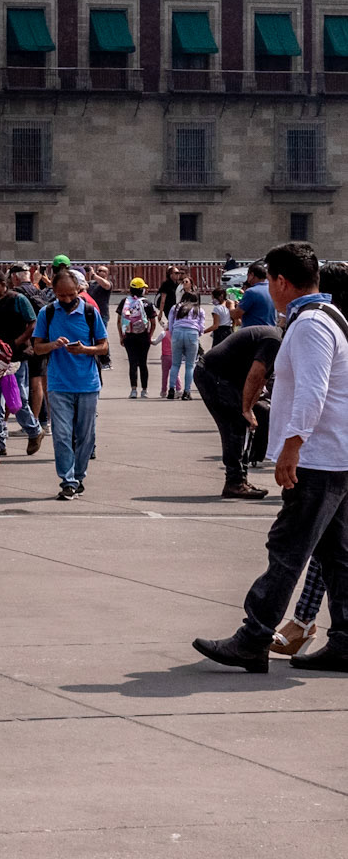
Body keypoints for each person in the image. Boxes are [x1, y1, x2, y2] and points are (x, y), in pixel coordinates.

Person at [194, 243, 348, 674]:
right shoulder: (328, 318)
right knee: (337, 553)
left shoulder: (312, 325)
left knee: (288, 548)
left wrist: (292, 445)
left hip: (317, 458)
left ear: (281, 281)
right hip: (334, 455)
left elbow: (313, 391)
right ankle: (346, 640)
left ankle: (254, 635)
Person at [30, 266, 108, 499]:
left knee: (86, 435)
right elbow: (37, 347)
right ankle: (68, 480)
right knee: (62, 435)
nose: (67, 299)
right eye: (62, 295)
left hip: (87, 383)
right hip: (58, 383)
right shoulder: (48, 313)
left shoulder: (90, 312)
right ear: (53, 290)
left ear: (79, 290)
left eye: (71, 295)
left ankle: (79, 475)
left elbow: (104, 346)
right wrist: (53, 345)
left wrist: (85, 349)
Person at [194, 312, 280, 500]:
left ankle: (239, 479)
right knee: (235, 425)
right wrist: (246, 409)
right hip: (213, 375)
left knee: (243, 422)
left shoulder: (275, 340)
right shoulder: (275, 341)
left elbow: (262, 381)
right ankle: (235, 483)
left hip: (223, 377)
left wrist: (251, 407)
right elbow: (255, 376)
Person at [0, 269, 42, 441]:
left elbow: (32, 324)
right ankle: (0, 442)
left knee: (18, 398)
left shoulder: (18, 299)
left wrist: (17, 342)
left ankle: (34, 431)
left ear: (1, 284)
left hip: (15, 357)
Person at [116, 278, 157, 399]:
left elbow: (119, 321)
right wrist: (149, 335)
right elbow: (153, 323)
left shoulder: (124, 301)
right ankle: (144, 390)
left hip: (129, 336)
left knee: (132, 362)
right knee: (143, 363)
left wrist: (121, 336)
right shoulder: (147, 303)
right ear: (141, 289)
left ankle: (133, 390)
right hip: (143, 336)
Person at [168, 292, 207, 401]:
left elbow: (170, 323)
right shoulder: (199, 310)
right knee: (190, 365)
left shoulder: (175, 307)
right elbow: (201, 327)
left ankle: (171, 390)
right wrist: (197, 334)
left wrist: (173, 334)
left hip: (177, 332)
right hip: (192, 334)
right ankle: (186, 392)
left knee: (175, 364)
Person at [240, 263, 276, 329]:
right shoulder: (272, 289)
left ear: (252, 275)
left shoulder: (251, 292)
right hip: (271, 330)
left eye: (248, 276)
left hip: (254, 333)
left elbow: (237, 314)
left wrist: (231, 305)